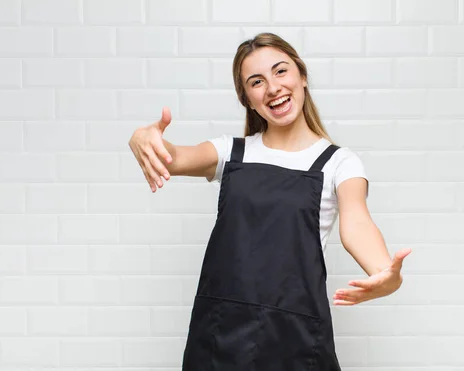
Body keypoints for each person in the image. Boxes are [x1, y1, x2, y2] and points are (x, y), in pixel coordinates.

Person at [128, 32, 411, 371]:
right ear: (247, 98)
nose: (273, 87)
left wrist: (385, 273)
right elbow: (173, 157)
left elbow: (357, 222)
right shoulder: (230, 153)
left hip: (294, 338)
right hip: (220, 335)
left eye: (281, 71)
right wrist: (144, 138)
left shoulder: (339, 163)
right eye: (256, 81)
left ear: (302, 76)